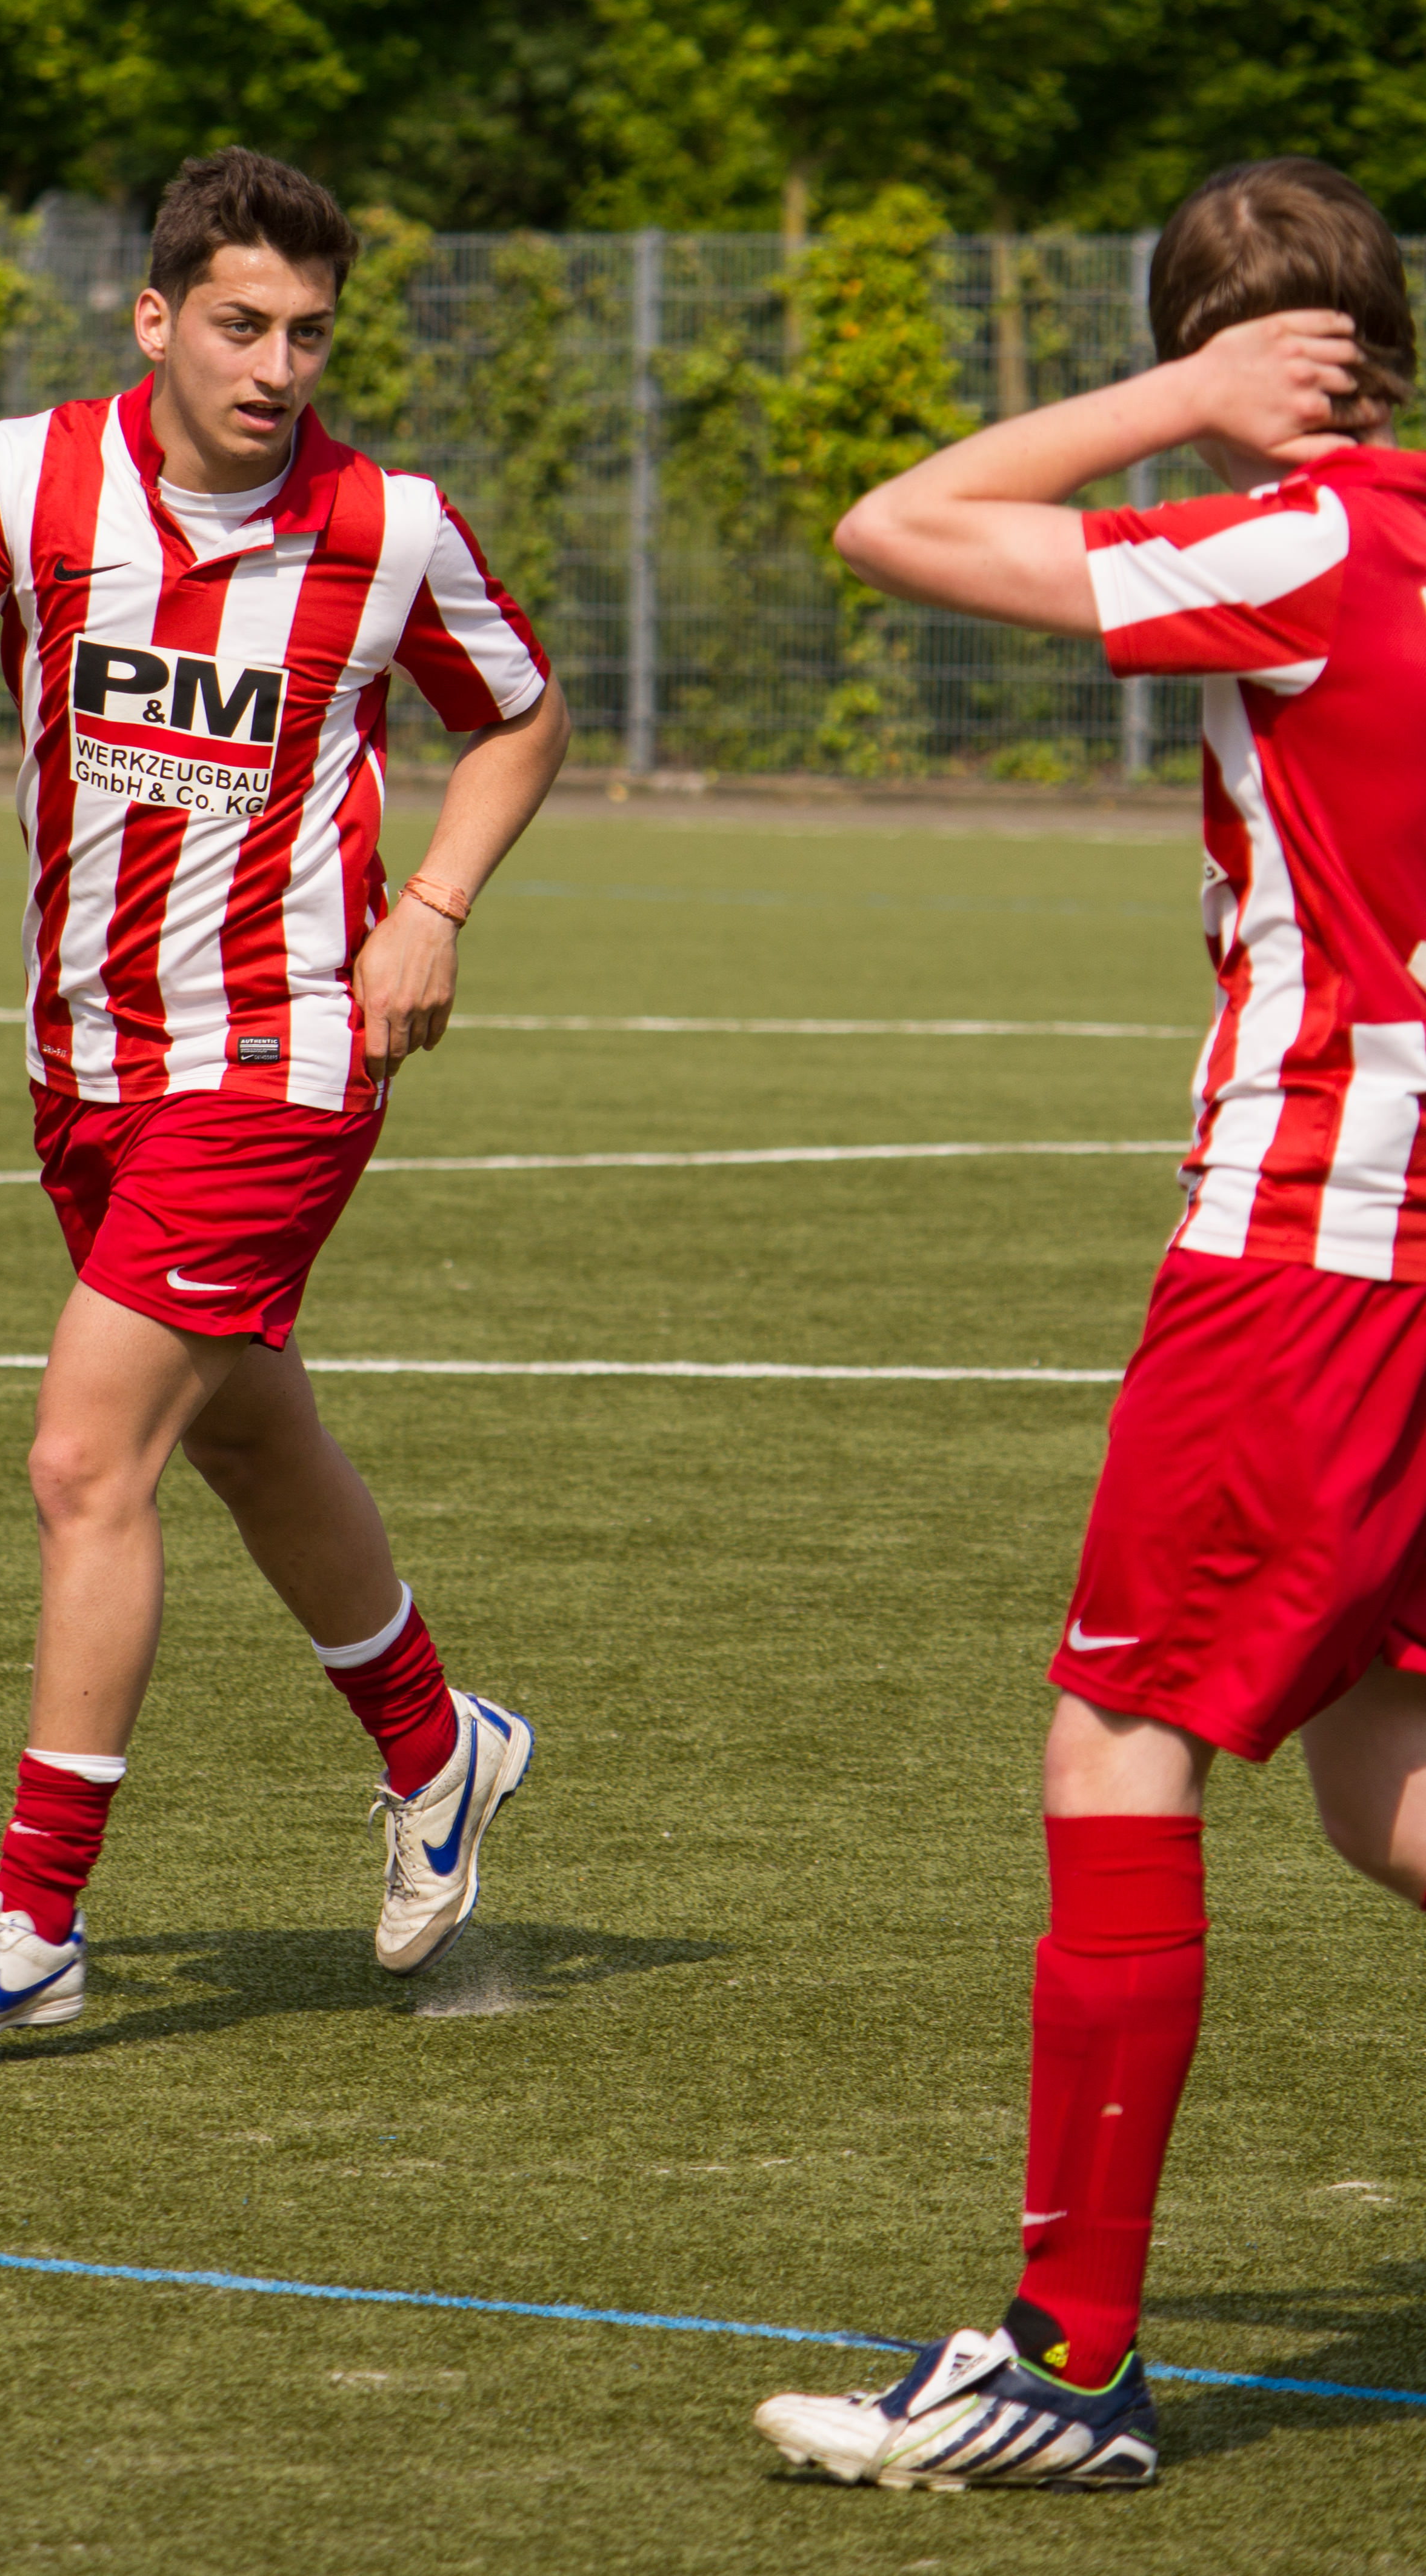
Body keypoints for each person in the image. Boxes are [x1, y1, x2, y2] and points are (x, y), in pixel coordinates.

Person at [750, 158, 1426, 2489]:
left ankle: (1066, 2359)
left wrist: (1174, 403)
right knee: (1378, 1775)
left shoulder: (1300, 543)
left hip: (1310, 1248)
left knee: (1118, 1740)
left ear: (1237, 351)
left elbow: (895, 525)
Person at [0, 147, 569, 2042]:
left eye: (309, 332)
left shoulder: (390, 525)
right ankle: (437, 1744)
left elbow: (521, 714)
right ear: (155, 318)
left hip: (282, 1058)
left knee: (86, 1460)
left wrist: (434, 906)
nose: (276, 365)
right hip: (83, 1063)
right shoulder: (29, 477)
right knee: (247, 1440)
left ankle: (35, 1920)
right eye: (239, 324)